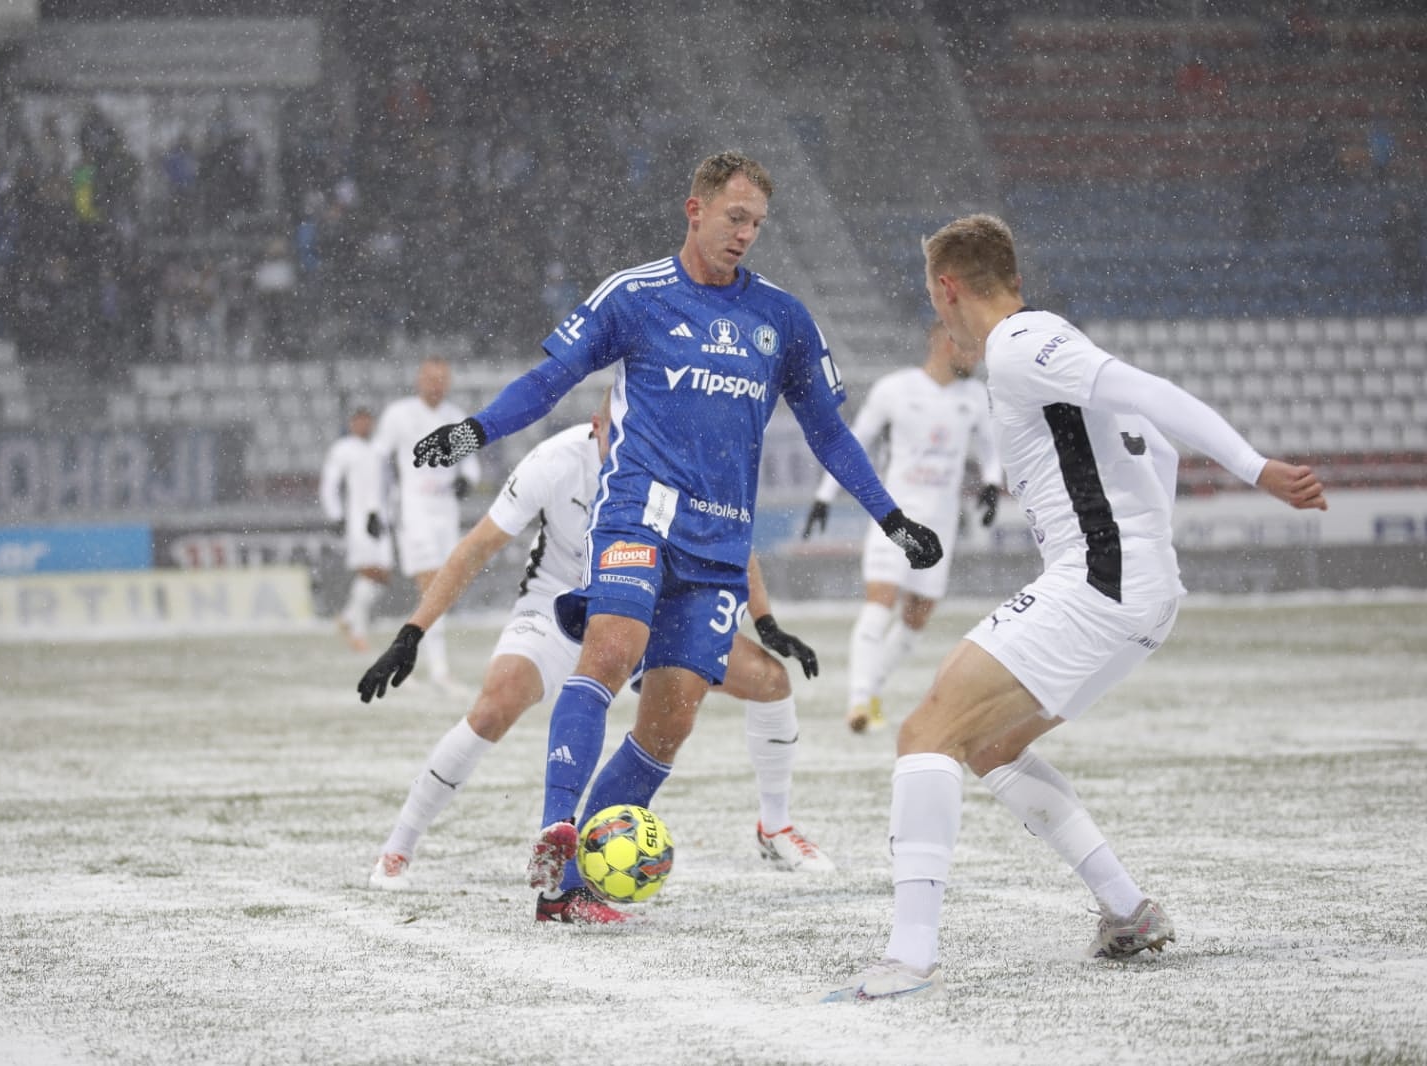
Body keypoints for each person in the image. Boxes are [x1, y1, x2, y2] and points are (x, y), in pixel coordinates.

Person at [408, 151, 943, 923]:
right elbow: (548, 381)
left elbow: (830, 432)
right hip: (639, 511)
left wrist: (891, 516)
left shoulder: (782, 320)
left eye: (756, 223)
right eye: (734, 217)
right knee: (610, 648)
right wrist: (473, 431)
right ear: (694, 210)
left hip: (721, 542)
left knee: (668, 723)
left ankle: (571, 890)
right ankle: (558, 827)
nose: (745, 234)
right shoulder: (636, 296)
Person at [824, 214, 1328, 1003]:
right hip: (1137, 590)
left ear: (946, 290)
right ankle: (1127, 911)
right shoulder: (1051, 352)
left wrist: (1255, 467)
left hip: (1100, 581)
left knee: (928, 732)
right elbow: (1149, 441)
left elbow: (1154, 396)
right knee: (988, 746)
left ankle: (909, 956)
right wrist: (1150, 550)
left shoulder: (1024, 344)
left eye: (933, 297)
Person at [359, 395, 833, 912]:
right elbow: (476, 548)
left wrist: (765, 622)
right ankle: (398, 848)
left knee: (770, 681)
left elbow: (732, 541)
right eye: (620, 433)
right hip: (560, 603)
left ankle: (775, 826)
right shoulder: (554, 462)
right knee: (495, 704)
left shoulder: (678, 457)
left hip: (650, 610)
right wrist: (411, 633)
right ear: (597, 427)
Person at [801, 320, 1003, 733]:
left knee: (916, 619)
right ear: (942, 339)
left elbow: (990, 447)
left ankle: (871, 688)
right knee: (881, 600)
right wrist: (824, 496)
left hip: (942, 522)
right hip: (894, 517)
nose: (976, 356)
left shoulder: (975, 397)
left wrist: (992, 484)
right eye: (969, 346)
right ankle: (858, 702)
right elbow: (853, 442)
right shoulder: (894, 390)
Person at [371, 356, 481, 689]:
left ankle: (405, 660)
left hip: (445, 510)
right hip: (414, 508)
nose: (437, 385)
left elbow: (470, 465)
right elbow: (378, 459)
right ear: (420, 380)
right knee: (433, 585)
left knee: (441, 588)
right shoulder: (399, 415)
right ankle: (438, 669)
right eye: (431, 378)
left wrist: (467, 481)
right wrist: (375, 507)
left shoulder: (455, 417)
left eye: (442, 379)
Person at [318, 407, 391, 651]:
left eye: (368, 421)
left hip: (381, 519)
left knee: (383, 574)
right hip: (358, 519)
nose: (364, 426)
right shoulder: (343, 449)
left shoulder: (379, 448)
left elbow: (387, 484)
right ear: (351, 423)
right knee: (369, 571)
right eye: (359, 421)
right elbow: (330, 484)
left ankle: (349, 618)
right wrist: (336, 515)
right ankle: (358, 632)